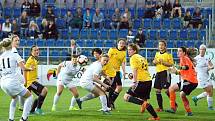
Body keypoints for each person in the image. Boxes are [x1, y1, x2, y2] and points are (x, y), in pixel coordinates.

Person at [124, 43, 160, 120]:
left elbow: (135, 70)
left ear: (134, 51)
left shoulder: (133, 58)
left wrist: (134, 82)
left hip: (141, 81)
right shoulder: (142, 57)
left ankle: (144, 104)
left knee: (126, 97)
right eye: (128, 50)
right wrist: (133, 76)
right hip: (148, 81)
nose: (128, 51)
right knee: (144, 98)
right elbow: (143, 70)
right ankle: (155, 117)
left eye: (130, 50)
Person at [0, 38, 33, 121]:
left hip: (3, 82)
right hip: (12, 81)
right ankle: (24, 118)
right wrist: (30, 69)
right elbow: (24, 68)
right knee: (30, 96)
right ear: (11, 44)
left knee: (15, 98)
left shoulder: (1, 57)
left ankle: (11, 119)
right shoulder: (14, 54)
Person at [166, 46, 198, 116]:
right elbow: (183, 71)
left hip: (190, 81)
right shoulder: (184, 59)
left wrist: (179, 67)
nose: (178, 52)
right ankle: (189, 112)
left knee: (171, 89)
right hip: (193, 82)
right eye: (178, 51)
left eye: (180, 51)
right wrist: (175, 72)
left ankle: (173, 108)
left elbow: (186, 67)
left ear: (184, 53)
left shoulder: (184, 58)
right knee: (182, 95)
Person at [25, 45, 48, 115]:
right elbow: (24, 70)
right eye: (35, 50)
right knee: (44, 90)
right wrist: (25, 82)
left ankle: (32, 111)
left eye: (37, 50)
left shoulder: (35, 59)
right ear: (31, 52)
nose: (37, 51)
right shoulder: (30, 60)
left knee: (41, 95)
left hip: (33, 81)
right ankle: (38, 109)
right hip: (30, 82)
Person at [153, 40, 174, 112]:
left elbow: (171, 64)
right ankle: (160, 108)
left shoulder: (168, 54)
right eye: (159, 45)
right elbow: (154, 62)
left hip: (165, 73)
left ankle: (174, 105)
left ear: (165, 46)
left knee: (167, 91)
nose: (161, 46)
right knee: (157, 91)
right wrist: (156, 62)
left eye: (162, 45)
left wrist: (163, 62)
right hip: (158, 73)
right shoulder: (157, 53)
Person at [192, 44, 214, 110]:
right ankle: (209, 107)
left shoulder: (207, 57)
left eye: (203, 49)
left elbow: (211, 65)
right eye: (201, 49)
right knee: (209, 91)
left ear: (205, 50)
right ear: (199, 50)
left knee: (211, 91)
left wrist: (210, 67)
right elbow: (192, 67)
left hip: (207, 76)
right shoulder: (196, 59)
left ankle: (196, 98)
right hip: (201, 77)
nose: (202, 50)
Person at [108, 38, 126, 109]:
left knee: (119, 88)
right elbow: (107, 59)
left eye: (123, 43)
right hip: (111, 71)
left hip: (117, 71)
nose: (121, 44)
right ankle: (109, 104)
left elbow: (123, 63)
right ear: (117, 43)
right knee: (113, 87)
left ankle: (110, 102)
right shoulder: (112, 49)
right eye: (120, 43)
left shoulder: (124, 52)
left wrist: (124, 72)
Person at [10, 34, 26, 111]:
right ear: (12, 42)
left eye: (18, 40)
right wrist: (22, 62)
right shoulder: (13, 50)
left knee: (19, 92)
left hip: (16, 74)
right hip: (15, 74)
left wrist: (21, 60)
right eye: (15, 40)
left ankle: (21, 106)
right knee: (22, 91)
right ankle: (22, 106)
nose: (17, 42)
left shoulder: (13, 50)